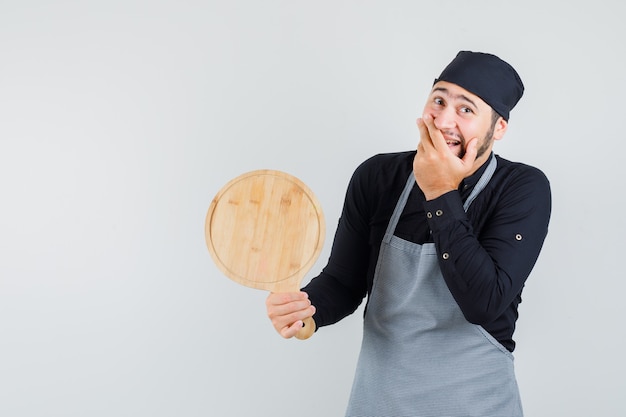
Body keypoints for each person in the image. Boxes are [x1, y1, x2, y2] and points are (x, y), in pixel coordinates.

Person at [265, 50, 551, 416]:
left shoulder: (521, 188)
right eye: (439, 100)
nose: (444, 120)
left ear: (498, 128)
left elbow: (484, 302)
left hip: (475, 405)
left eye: (466, 109)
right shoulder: (377, 177)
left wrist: (439, 192)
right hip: (378, 403)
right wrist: (304, 314)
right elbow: (342, 282)